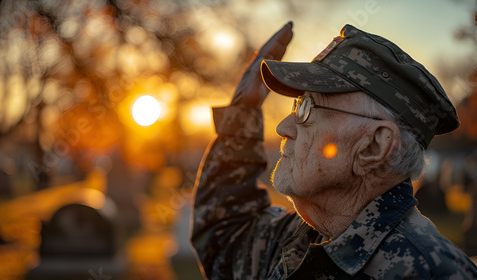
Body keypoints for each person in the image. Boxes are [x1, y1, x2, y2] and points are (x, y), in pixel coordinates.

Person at [190, 22, 477, 279]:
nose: (283, 127)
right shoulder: (304, 237)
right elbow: (225, 237)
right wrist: (241, 117)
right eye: (296, 103)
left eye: (307, 108)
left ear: (374, 146)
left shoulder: (428, 271)